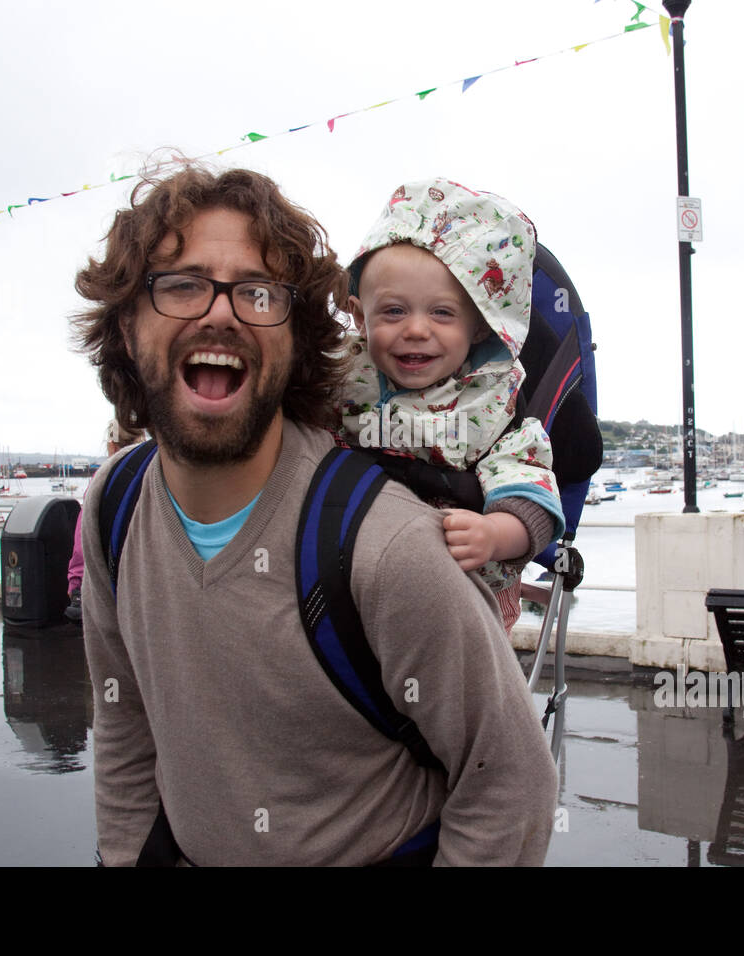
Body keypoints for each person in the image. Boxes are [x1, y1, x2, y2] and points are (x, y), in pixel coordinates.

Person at [72, 162, 557, 866]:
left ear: (297, 336)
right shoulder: (114, 505)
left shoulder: (389, 547)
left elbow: (510, 781)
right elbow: (124, 727)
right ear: (125, 324)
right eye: (181, 284)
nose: (219, 312)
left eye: (257, 292)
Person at [337, 178, 564, 633]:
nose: (417, 330)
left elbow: (533, 500)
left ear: (479, 328)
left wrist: (494, 535)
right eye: (394, 311)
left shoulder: (493, 412)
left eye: (442, 313)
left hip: (457, 593)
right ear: (360, 316)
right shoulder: (337, 379)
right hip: (348, 576)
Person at [66, 418, 145, 622]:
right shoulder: (161, 474)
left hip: (113, 583)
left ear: (111, 445)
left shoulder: (103, 479)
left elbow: (83, 538)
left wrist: (76, 582)